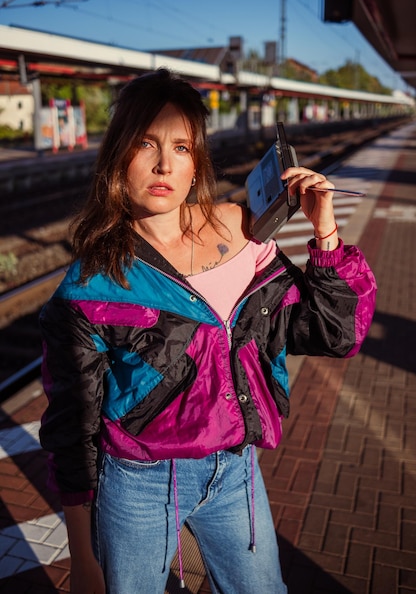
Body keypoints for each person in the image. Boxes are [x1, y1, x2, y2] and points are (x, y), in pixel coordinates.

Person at [39, 68, 377, 594]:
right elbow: (72, 425)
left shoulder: (246, 239)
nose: (163, 164)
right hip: (139, 484)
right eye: (146, 144)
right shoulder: (93, 284)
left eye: (180, 146)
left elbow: (334, 335)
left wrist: (325, 232)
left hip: (236, 473)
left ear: (196, 163)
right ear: (118, 158)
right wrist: (82, 556)